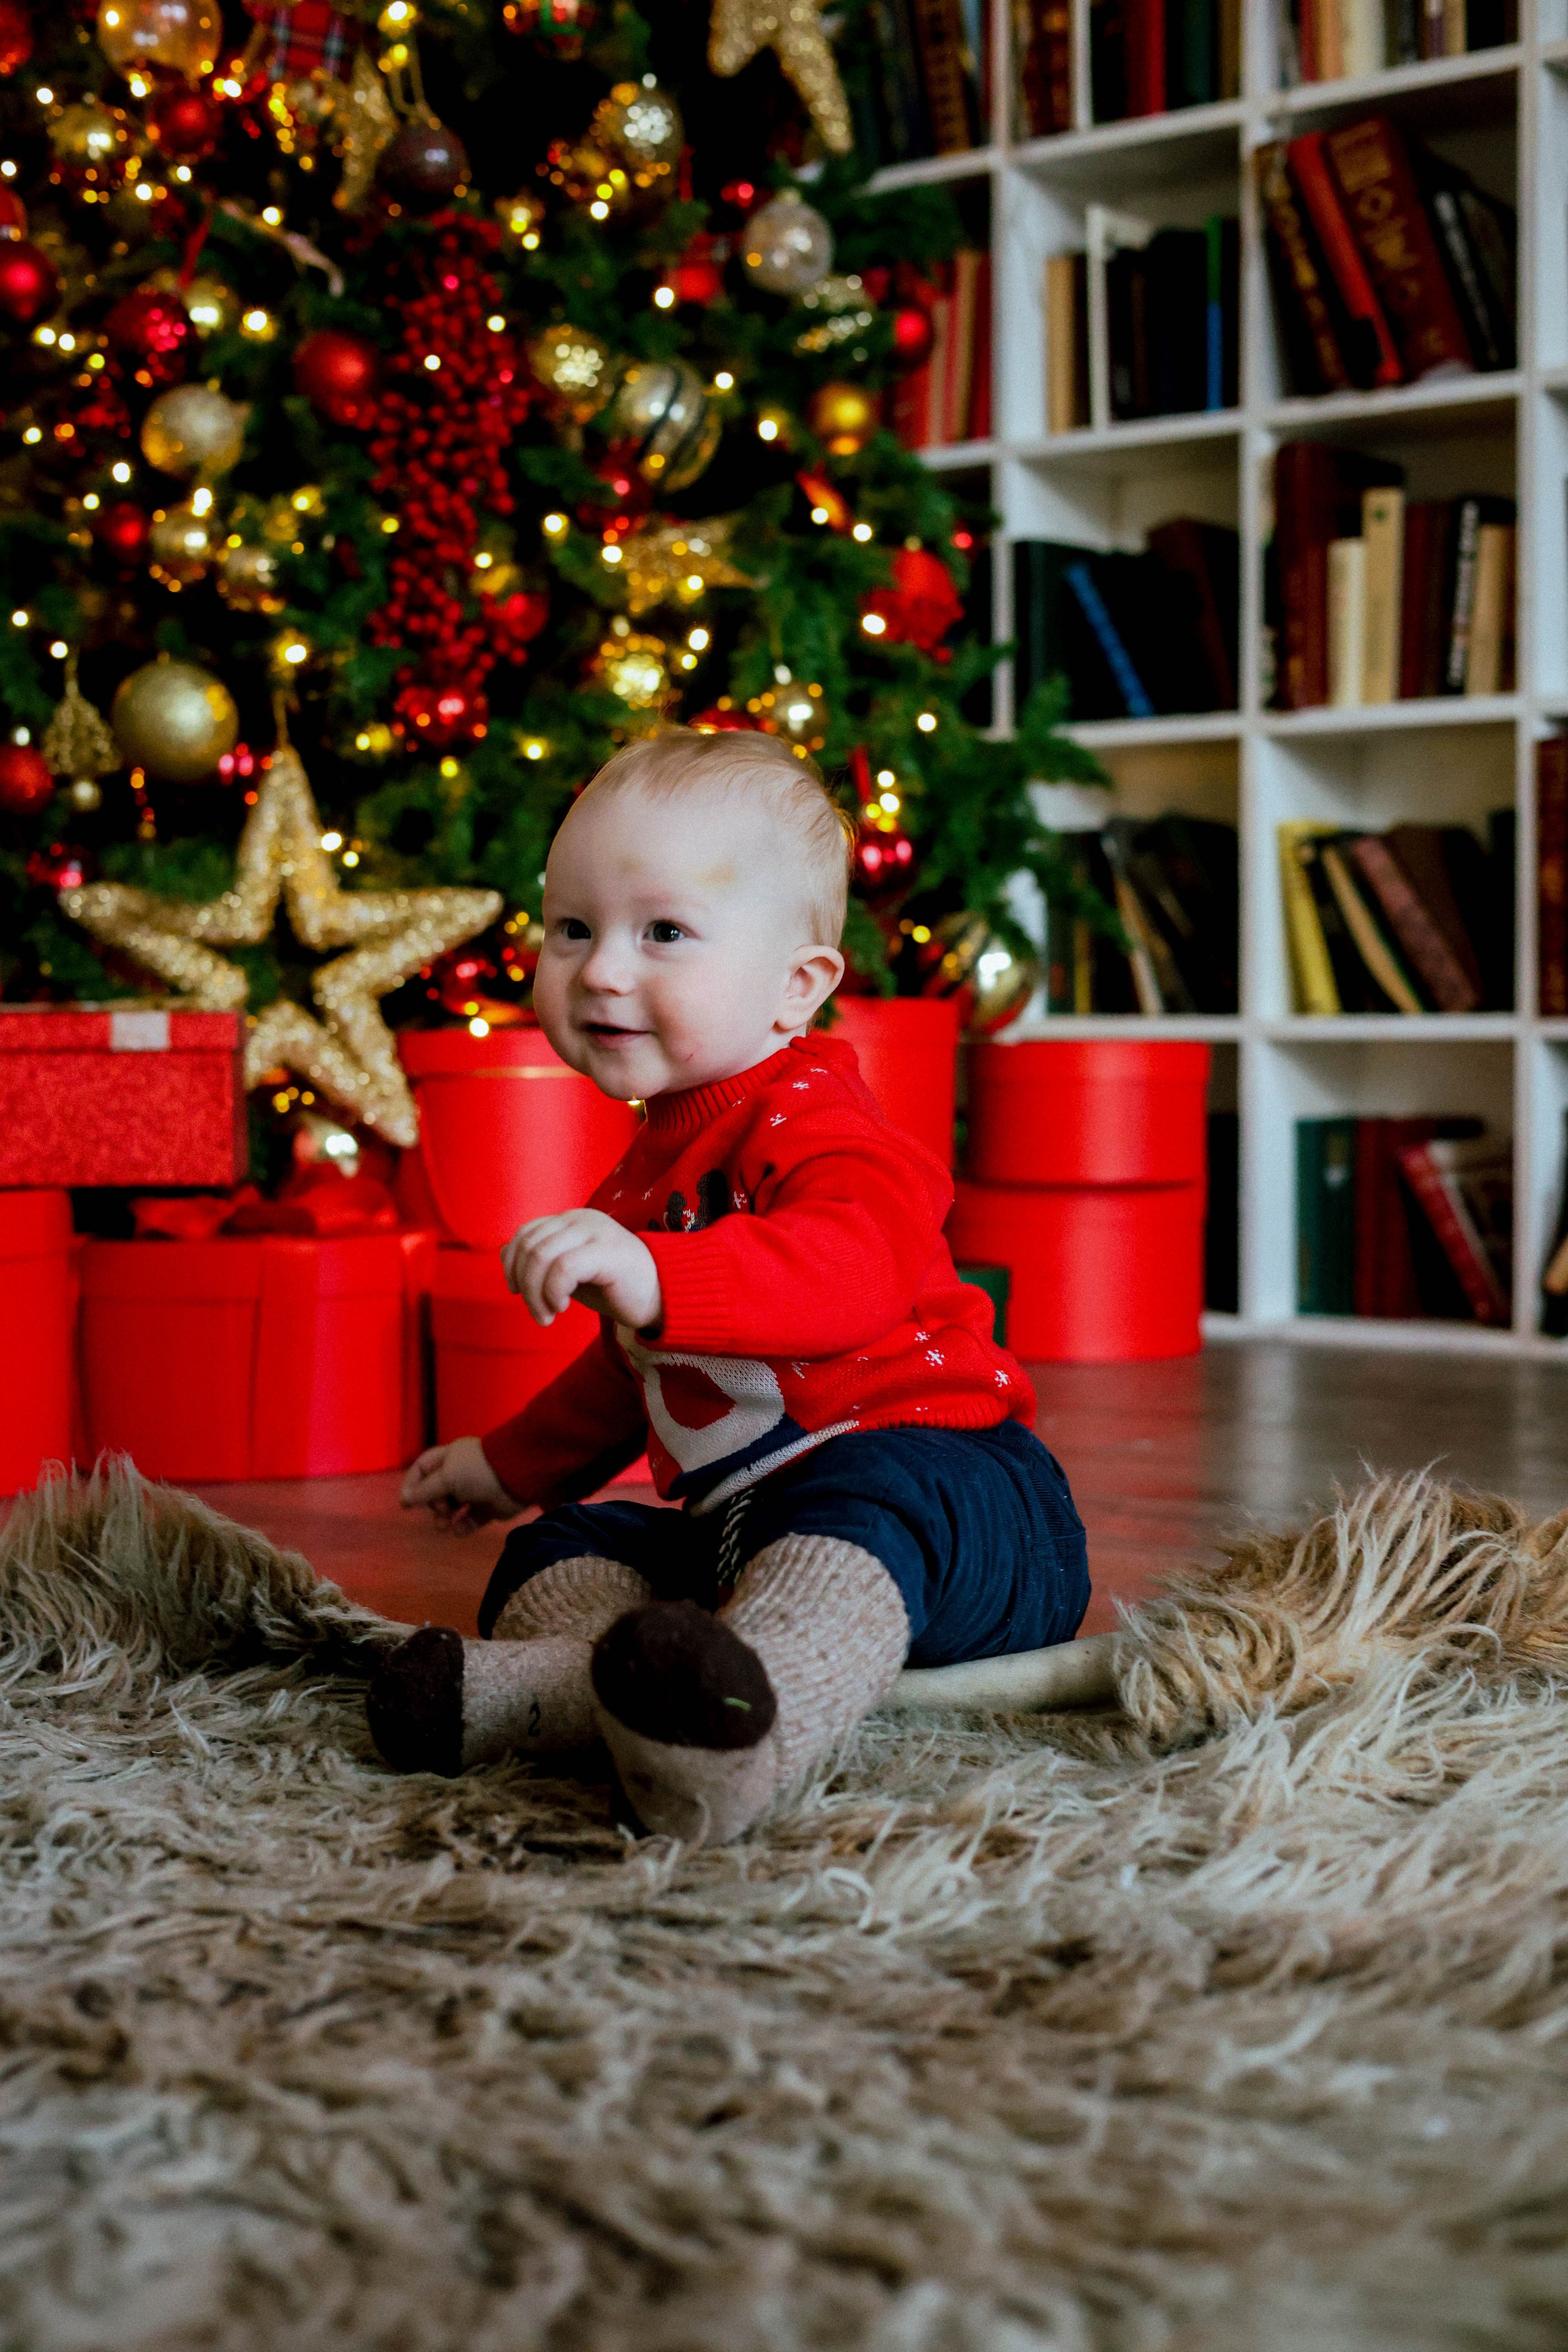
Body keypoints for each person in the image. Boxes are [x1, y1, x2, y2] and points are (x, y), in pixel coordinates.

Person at [368, 726, 1089, 1842]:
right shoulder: (646, 1174)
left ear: (795, 989)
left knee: (861, 1505)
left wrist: (654, 1271)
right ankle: (604, 1686)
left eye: (664, 932)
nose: (602, 968)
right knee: (565, 1544)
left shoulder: (826, 1126)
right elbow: (631, 1377)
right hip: (750, 1522)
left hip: (964, 1499)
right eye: (572, 929)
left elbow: (849, 1274)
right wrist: (505, 1464)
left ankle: (736, 1738)